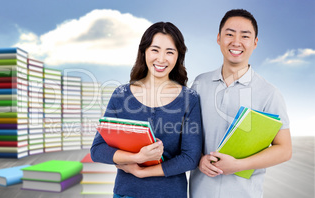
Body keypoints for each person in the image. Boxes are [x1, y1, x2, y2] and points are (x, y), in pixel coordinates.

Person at [90, 22, 202, 198]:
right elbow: (97, 150)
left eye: (170, 52)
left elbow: (190, 158)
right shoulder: (121, 95)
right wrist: (136, 158)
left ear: (178, 56)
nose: (161, 59)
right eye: (155, 50)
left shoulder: (189, 99)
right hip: (126, 193)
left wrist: (142, 172)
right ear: (144, 52)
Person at [189, 9, 292, 198]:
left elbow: (284, 150)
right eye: (229, 34)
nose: (236, 42)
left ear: (255, 43)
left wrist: (239, 165)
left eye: (245, 36)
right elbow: (189, 135)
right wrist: (198, 160)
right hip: (200, 193)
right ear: (219, 38)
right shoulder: (199, 83)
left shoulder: (269, 93)